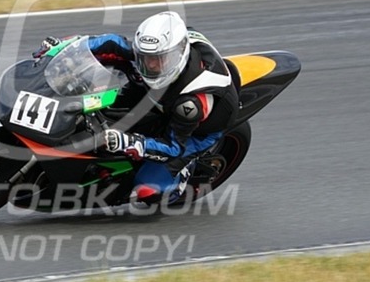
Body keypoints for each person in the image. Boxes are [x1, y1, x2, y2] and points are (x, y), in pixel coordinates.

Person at [35, 11, 240, 204]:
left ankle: (184, 172)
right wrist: (63, 47)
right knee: (112, 81)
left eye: (159, 60)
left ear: (178, 57)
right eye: (145, 58)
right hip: (165, 97)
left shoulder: (189, 104)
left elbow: (173, 147)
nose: (150, 65)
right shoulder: (155, 51)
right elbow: (111, 43)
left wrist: (130, 142)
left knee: (148, 191)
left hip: (197, 132)